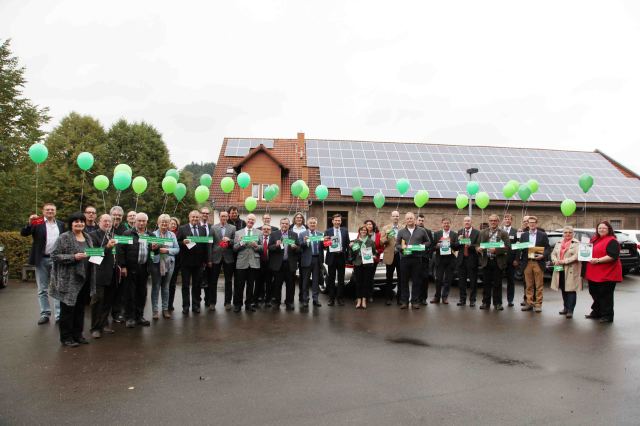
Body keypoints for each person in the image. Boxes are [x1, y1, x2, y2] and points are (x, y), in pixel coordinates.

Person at [49, 212, 96, 347]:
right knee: (68, 310)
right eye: (76, 221)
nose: (79, 223)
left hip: (84, 278)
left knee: (80, 309)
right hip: (69, 280)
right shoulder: (64, 237)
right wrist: (73, 257)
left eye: (81, 221)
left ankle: (78, 335)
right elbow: (54, 255)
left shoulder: (87, 237)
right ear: (71, 224)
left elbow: (92, 254)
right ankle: (66, 338)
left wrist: (99, 254)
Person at [21, 202, 65, 325]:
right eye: (48, 210)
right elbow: (24, 233)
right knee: (42, 288)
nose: (50, 211)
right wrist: (30, 222)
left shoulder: (61, 224)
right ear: (43, 211)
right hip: (41, 259)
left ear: (55, 211)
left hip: (57, 259)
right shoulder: (37, 222)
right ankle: (45, 313)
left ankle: (59, 315)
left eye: (52, 210)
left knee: (57, 287)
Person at [117, 212, 154, 328]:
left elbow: (154, 252)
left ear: (146, 222)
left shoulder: (150, 235)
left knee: (142, 294)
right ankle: (130, 318)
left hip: (144, 268)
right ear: (135, 222)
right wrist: (122, 266)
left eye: (144, 221)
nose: (142, 223)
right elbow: (120, 250)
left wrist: (155, 249)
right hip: (130, 268)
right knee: (130, 294)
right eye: (139, 221)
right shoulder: (127, 233)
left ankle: (139, 316)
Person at [584, 221, 622, 323]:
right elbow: (586, 251)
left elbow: (613, 256)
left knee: (605, 295)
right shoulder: (594, 239)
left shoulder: (612, 241)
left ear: (609, 229)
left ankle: (607, 316)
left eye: (604, 228)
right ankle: (597, 312)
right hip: (593, 273)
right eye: (600, 228)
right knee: (594, 293)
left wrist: (598, 260)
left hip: (607, 273)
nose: (601, 230)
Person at [89, 214, 117, 338]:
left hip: (112, 273)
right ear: (99, 222)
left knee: (108, 301)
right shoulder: (92, 235)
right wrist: (107, 247)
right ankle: (95, 328)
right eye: (105, 221)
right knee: (97, 301)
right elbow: (92, 254)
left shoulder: (112, 235)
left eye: (109, 221)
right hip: (99, 274)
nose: (107, 223)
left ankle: (104, 324)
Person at [395, 212, 430, 309]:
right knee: (404, 281)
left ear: (414, 219)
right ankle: (404, 301)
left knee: (416, 281)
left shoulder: (422, 230)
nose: (409, 220)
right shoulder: (401, 232)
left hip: (417, 259)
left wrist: (421, 246)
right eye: (408, 218)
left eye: (411, 218)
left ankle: (415, 301)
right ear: (405, 220)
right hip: (405, 259)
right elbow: (397, 244)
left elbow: (428, 242)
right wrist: (402, 248)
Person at [177, 211, 208, 315]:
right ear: (189, 217)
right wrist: (183, 243)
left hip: (198, 263)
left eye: (196, 217)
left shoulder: (203, 229)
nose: (195, 218)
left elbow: (205, 246)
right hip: (186, 262)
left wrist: (205, 260)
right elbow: (177, 242)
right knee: (185, 285)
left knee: (197, 285)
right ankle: (185, 306)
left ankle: (196, 306)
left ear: (199, 218)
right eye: (193, 217)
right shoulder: (182, 228)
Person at [477, 214, 510, 311]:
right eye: (491, 220)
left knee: (497, 284)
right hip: (486, 261)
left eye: (495, 220)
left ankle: (498, 303)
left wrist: (496, 250)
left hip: (498, 261)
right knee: (486, 283)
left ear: (498, 222)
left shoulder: (503, 233)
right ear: (489, 221)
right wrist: (477, 248)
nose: (493, 222)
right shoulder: (483, 232)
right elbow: (478, 244)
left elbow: (507, 247)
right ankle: (485, 302)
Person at [150, 214, 180, 320]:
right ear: (158, 223)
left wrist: (167, 250)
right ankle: (155, 311)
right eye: (162, 222)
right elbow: (150, 250)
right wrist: (154, 248)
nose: (164, 224)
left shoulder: (172, 235)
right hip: (156, 263)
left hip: (169, 263)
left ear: (168, 224)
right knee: (156, 286)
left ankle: (165, 309)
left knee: (166, 287)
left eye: (166, 222)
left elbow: (177, 249)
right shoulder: (153, 234)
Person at [518, 216, 550, 312]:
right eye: (530, 222)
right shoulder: (523, 235)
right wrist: (518, 247)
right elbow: (521, 249)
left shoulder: (543, 235)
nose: (531, 224)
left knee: (539, 285)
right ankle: (529, 303)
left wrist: (543, 255)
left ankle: (538, 304)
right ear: (527, 224)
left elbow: (548, 248)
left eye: (533, 222)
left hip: (538, 262)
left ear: (536, 223)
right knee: (529, 285)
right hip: (527, 262)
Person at [550, 226, 582, 318]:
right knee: (563, 288)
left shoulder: (577, 243)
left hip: (571, 269)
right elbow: (553, 253)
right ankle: (565, 308)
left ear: (573, 233)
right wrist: (554, 260)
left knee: (570, 290)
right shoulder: (559, 242)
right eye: (565, 232)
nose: (567, 234)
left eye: (570, 232)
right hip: (559, 267)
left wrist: (564, 261)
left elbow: (576, 256)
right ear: (563, 233)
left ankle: (570, 310)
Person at [268, 218, 300, 311]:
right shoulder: (274, 234)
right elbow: (270, 247)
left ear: (289, 225)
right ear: (280, 224)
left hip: (290, 264)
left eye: (286, 223)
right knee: (277, 285)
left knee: (291, 285)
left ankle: (289, 302)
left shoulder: (294, 234)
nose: (284, 225)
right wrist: (276, 245)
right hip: (278, 264)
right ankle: (276, 302)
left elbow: (299, 249)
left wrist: (295, 247)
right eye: (283, 223)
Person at [233, 213, 261, 312]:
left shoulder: (259, 232)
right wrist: (241, 243)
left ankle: (249, 304)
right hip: (242, 262)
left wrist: (256, 246)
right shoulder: (238, 233)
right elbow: (235, 248)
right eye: (249, 219)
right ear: (246, 220)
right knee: (239, 285)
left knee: (250, 285)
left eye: (253, 220)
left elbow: (262, 248)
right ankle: (238, 304)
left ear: (255, 221)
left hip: (253, 262)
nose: (251, 221)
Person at [210, 211, 236, 310]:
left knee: (228, 281)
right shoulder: (213, 228)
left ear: (228, 217)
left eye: (225, 216)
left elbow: (235, 241)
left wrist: (229, 240)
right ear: (219, 217)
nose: (224, 217)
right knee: (213, 281)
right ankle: (212, 302)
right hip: (215, 256)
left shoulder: (232, 228)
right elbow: (210, 243)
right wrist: (209, 258)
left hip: (228, 257)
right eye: (222, 216)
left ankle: (228, 302)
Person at [432, 218, 460, 304]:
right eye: (444, 223)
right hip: (440, 259)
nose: (446, 225)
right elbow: (433, 246)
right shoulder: (437, 234)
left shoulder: (454, 234)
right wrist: (437, 245)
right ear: (442, 224)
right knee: (438, 279)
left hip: (450, 259)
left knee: (448, 280)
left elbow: (457, 247)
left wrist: (449, 242)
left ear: (450, 224)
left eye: (448, 223)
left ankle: (445, 297)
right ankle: (437, 297)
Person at [324, 213, 349, 306]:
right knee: (331, 279)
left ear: (341, 221)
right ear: (332, 221)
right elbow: (325, 245)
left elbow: (347, 244)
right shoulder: (328, 231)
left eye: (339, 220)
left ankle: (340, 298)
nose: (337, 222)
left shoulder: (345, 231)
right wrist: (326, 241)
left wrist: (347, 250)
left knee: (341, 279)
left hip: (341, 257)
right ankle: (331, 299)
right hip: (331, 257)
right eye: (336, 220)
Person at [299, 217, 324, 309]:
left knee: (315, 281)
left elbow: (323, 247)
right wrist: (305, 241)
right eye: (311, 223)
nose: (312, 224)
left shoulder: (320, 234)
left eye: (314, 223)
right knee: (305, 281)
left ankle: (315, 299)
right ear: (307, 224)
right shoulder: (302, 234)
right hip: (306, 260)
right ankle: (305, 300)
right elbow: (300, 246)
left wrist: (327, 242)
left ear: (316, 224)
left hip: (317, 260)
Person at [350, 225, 376, 309]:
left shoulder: (370, 241)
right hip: (358, 264)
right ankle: (359, 300)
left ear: (367, 232)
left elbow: (374, 252)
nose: (363, 231)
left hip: (367, 264)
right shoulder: (355, 241)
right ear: (359, 231)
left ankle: (364, 300)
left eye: (365, 230)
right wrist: (351, 247)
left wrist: (374, 256)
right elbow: (352, 254)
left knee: (366, 282)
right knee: (358, 283)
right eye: (362, 230)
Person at [457, 216, 480, 307]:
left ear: (471, 222)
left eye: (468, 221)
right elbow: (456, 246)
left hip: (472, 260)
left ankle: (472, 300)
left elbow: (478, 245)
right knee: (461, 281)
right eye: (465, 221)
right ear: (463, 222)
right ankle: (462, 299)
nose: (467, 222)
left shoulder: (477, 232)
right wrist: (459, 241)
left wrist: (470, 245)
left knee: (473, 281)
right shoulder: (460, 232)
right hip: (462, 260)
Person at [109, 206, 127, 323]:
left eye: (119, 215)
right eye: (114, 215)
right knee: (107, 291)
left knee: (119, 291)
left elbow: (126, 248)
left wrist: (124, 265)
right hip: (107, 264)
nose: (117, 217)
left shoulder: (124, 229)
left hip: (120, 264)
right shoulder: (106, 226)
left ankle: (116, 314)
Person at [380, 211, 401, 305]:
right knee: (389, 278)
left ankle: (400, 298)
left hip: (401, 255)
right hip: (390, 255)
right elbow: (381, 242)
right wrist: (388, 236)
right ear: (391, 217)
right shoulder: (386, 228)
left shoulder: (403, 228)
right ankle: (388, 298)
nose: (395, 217)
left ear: (399, 217)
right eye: (394, 216)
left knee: (401, 278)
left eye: (397, 216)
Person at [416, 214, 435, 305]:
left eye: (422, 220)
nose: (421, 222)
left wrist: (429, 255)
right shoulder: (413, 231)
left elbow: (431, 245)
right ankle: (416, 298)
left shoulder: (428, 231)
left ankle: (423, 298)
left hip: (425, 259)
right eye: (419, 220)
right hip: (415, 258)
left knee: (424, 279)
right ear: (416, 221)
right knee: (416, 279)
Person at [502, 214, 519, 307]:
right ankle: (498, 300)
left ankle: (510, 300)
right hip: (500, 259)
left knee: (510, 281)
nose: (507, 220)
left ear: (511, 220)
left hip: (511, 260)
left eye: (509, 219)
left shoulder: (516, 232)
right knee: (498, 281)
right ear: (503, 220)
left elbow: (518, 246)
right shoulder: (499, 230)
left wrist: (516, 259)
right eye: (505, 219)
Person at [254, 224, 273, 306]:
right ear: (261, 230)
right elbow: (254, 248)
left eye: (268, 229)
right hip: (259, 263)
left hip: (270, 263)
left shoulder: (273, 239)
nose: (266, 230)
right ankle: (256, 300)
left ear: (271, 231)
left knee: (269, 283)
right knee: (258, 282)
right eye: (264, 229)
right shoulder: (257, 238)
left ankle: (268, 300)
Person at [199, 207, 214, 309]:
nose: (205, 215)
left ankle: (207, 300)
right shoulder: (196, 226)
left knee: (209, 280)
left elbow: (211, 244)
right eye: (203, 213)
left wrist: (209, 259)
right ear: (200, 214)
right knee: (198, 281)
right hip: (198, 258)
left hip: (209, 258)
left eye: (207, 213)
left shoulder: (211, 227)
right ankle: (197, 301)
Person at [168, 217, 181, 312]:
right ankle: (165, 303)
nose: (173, 225)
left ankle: (170, 304)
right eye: (171, 223)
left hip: (176, 262)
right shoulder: (164, 234)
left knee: (172, 284)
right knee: (164, 284)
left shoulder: (180, 234)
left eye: (175, 224)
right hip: (165, 261)